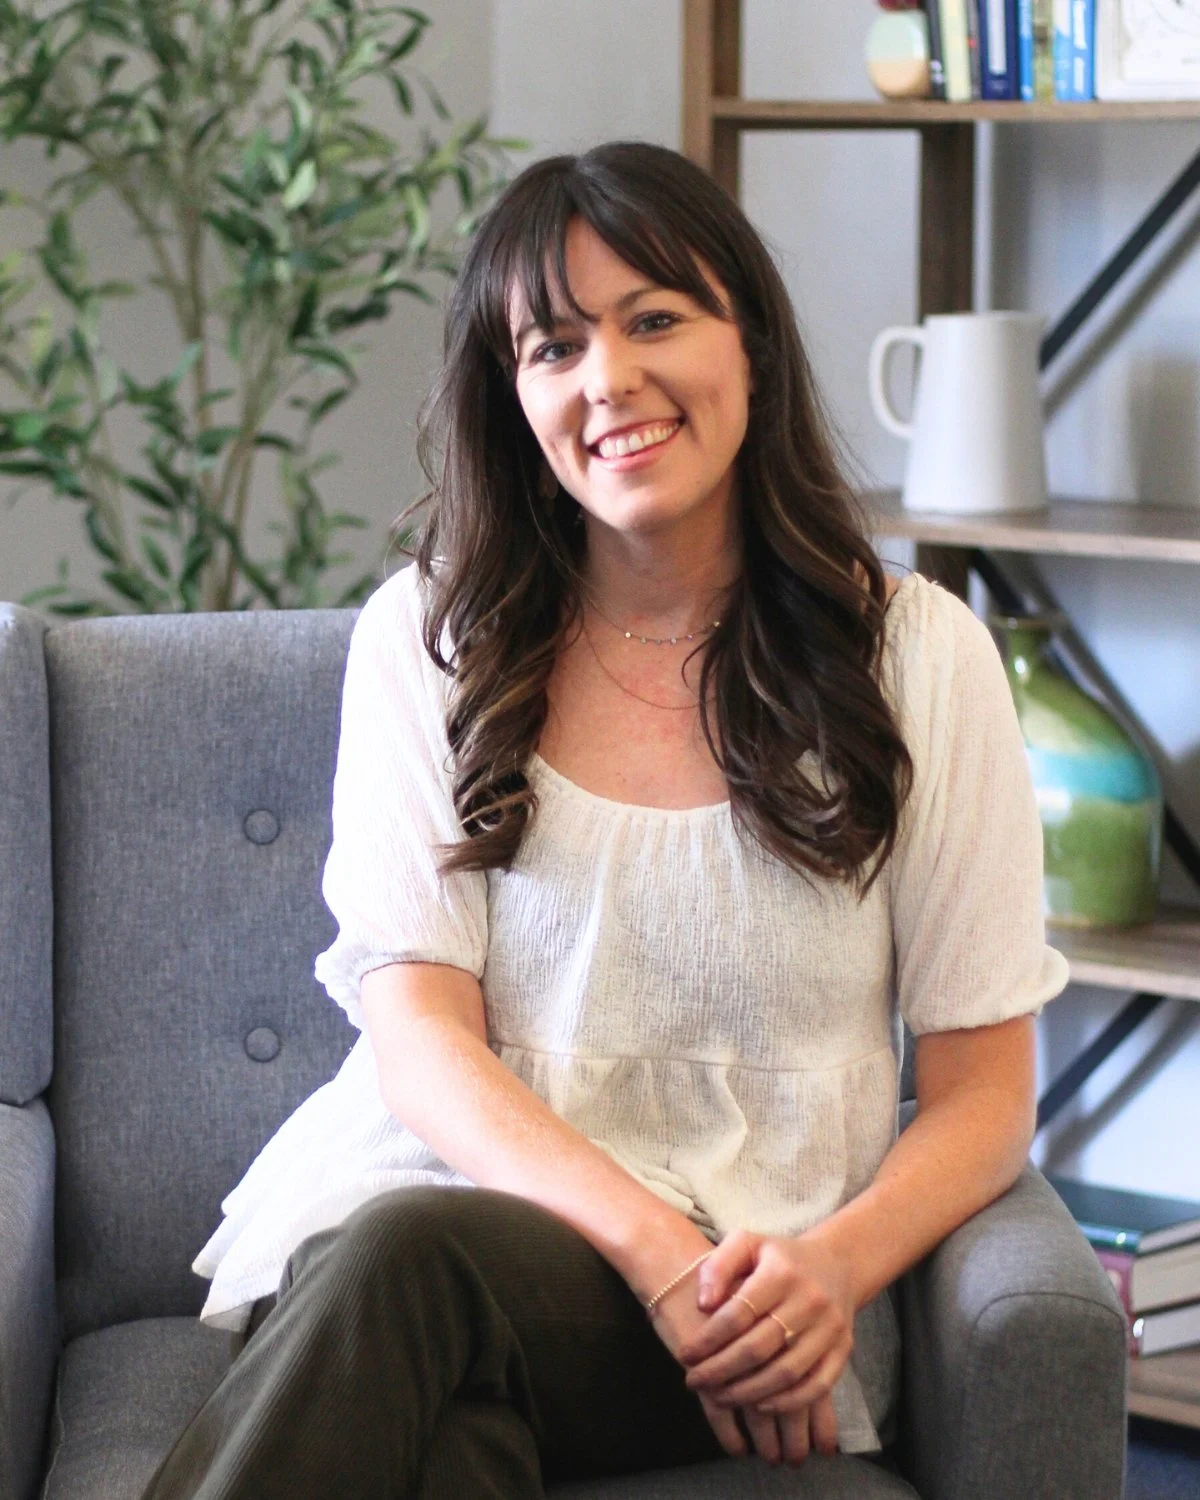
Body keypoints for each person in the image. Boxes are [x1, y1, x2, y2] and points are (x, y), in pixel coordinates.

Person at [141, 140, 1070, 1499]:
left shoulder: (918, 661)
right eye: (555, 347)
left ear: (750, 342)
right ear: (512, 396)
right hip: (433, 1231)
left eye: (655, 320)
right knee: (446, 1423)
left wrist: (831, 1270)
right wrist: (654, 1253)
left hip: (744, 1296)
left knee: (411, 1272)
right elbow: (419, 1044)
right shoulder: (431, 639)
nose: (608, 380)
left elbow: (985, 1095)